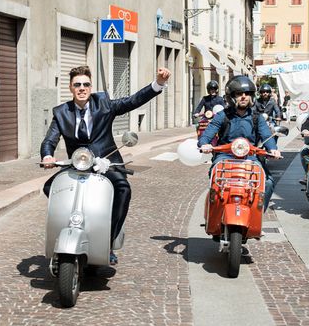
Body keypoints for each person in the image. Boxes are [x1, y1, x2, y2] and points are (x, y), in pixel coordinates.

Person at [41, 65, 171, 264]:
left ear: (91, 87)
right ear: (70, 88)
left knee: (123, 188)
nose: (82, 88)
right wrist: (48, 156)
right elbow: (50, 139)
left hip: (107, 162)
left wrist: (158, 83)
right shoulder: (61, 112)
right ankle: (68, 227)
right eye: (77, 85)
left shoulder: (103, 104)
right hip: (78, 164)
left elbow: (132, 100)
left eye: (86, 84)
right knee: (50, 187)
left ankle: (108, 240)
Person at [198, 76, 281, 212]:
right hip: (225, 156)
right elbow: (208, 133)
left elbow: (266, 134)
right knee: (215, 178)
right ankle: (215, 213)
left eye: (247, 93)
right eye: (239, 94)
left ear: (252, 96)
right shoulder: (222, 115)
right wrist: (204, 144)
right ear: (231, 96)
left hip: (251, 157)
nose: (244, 97)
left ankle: (257, 214)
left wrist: (273, 149)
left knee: (268, 182)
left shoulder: (256, 117)